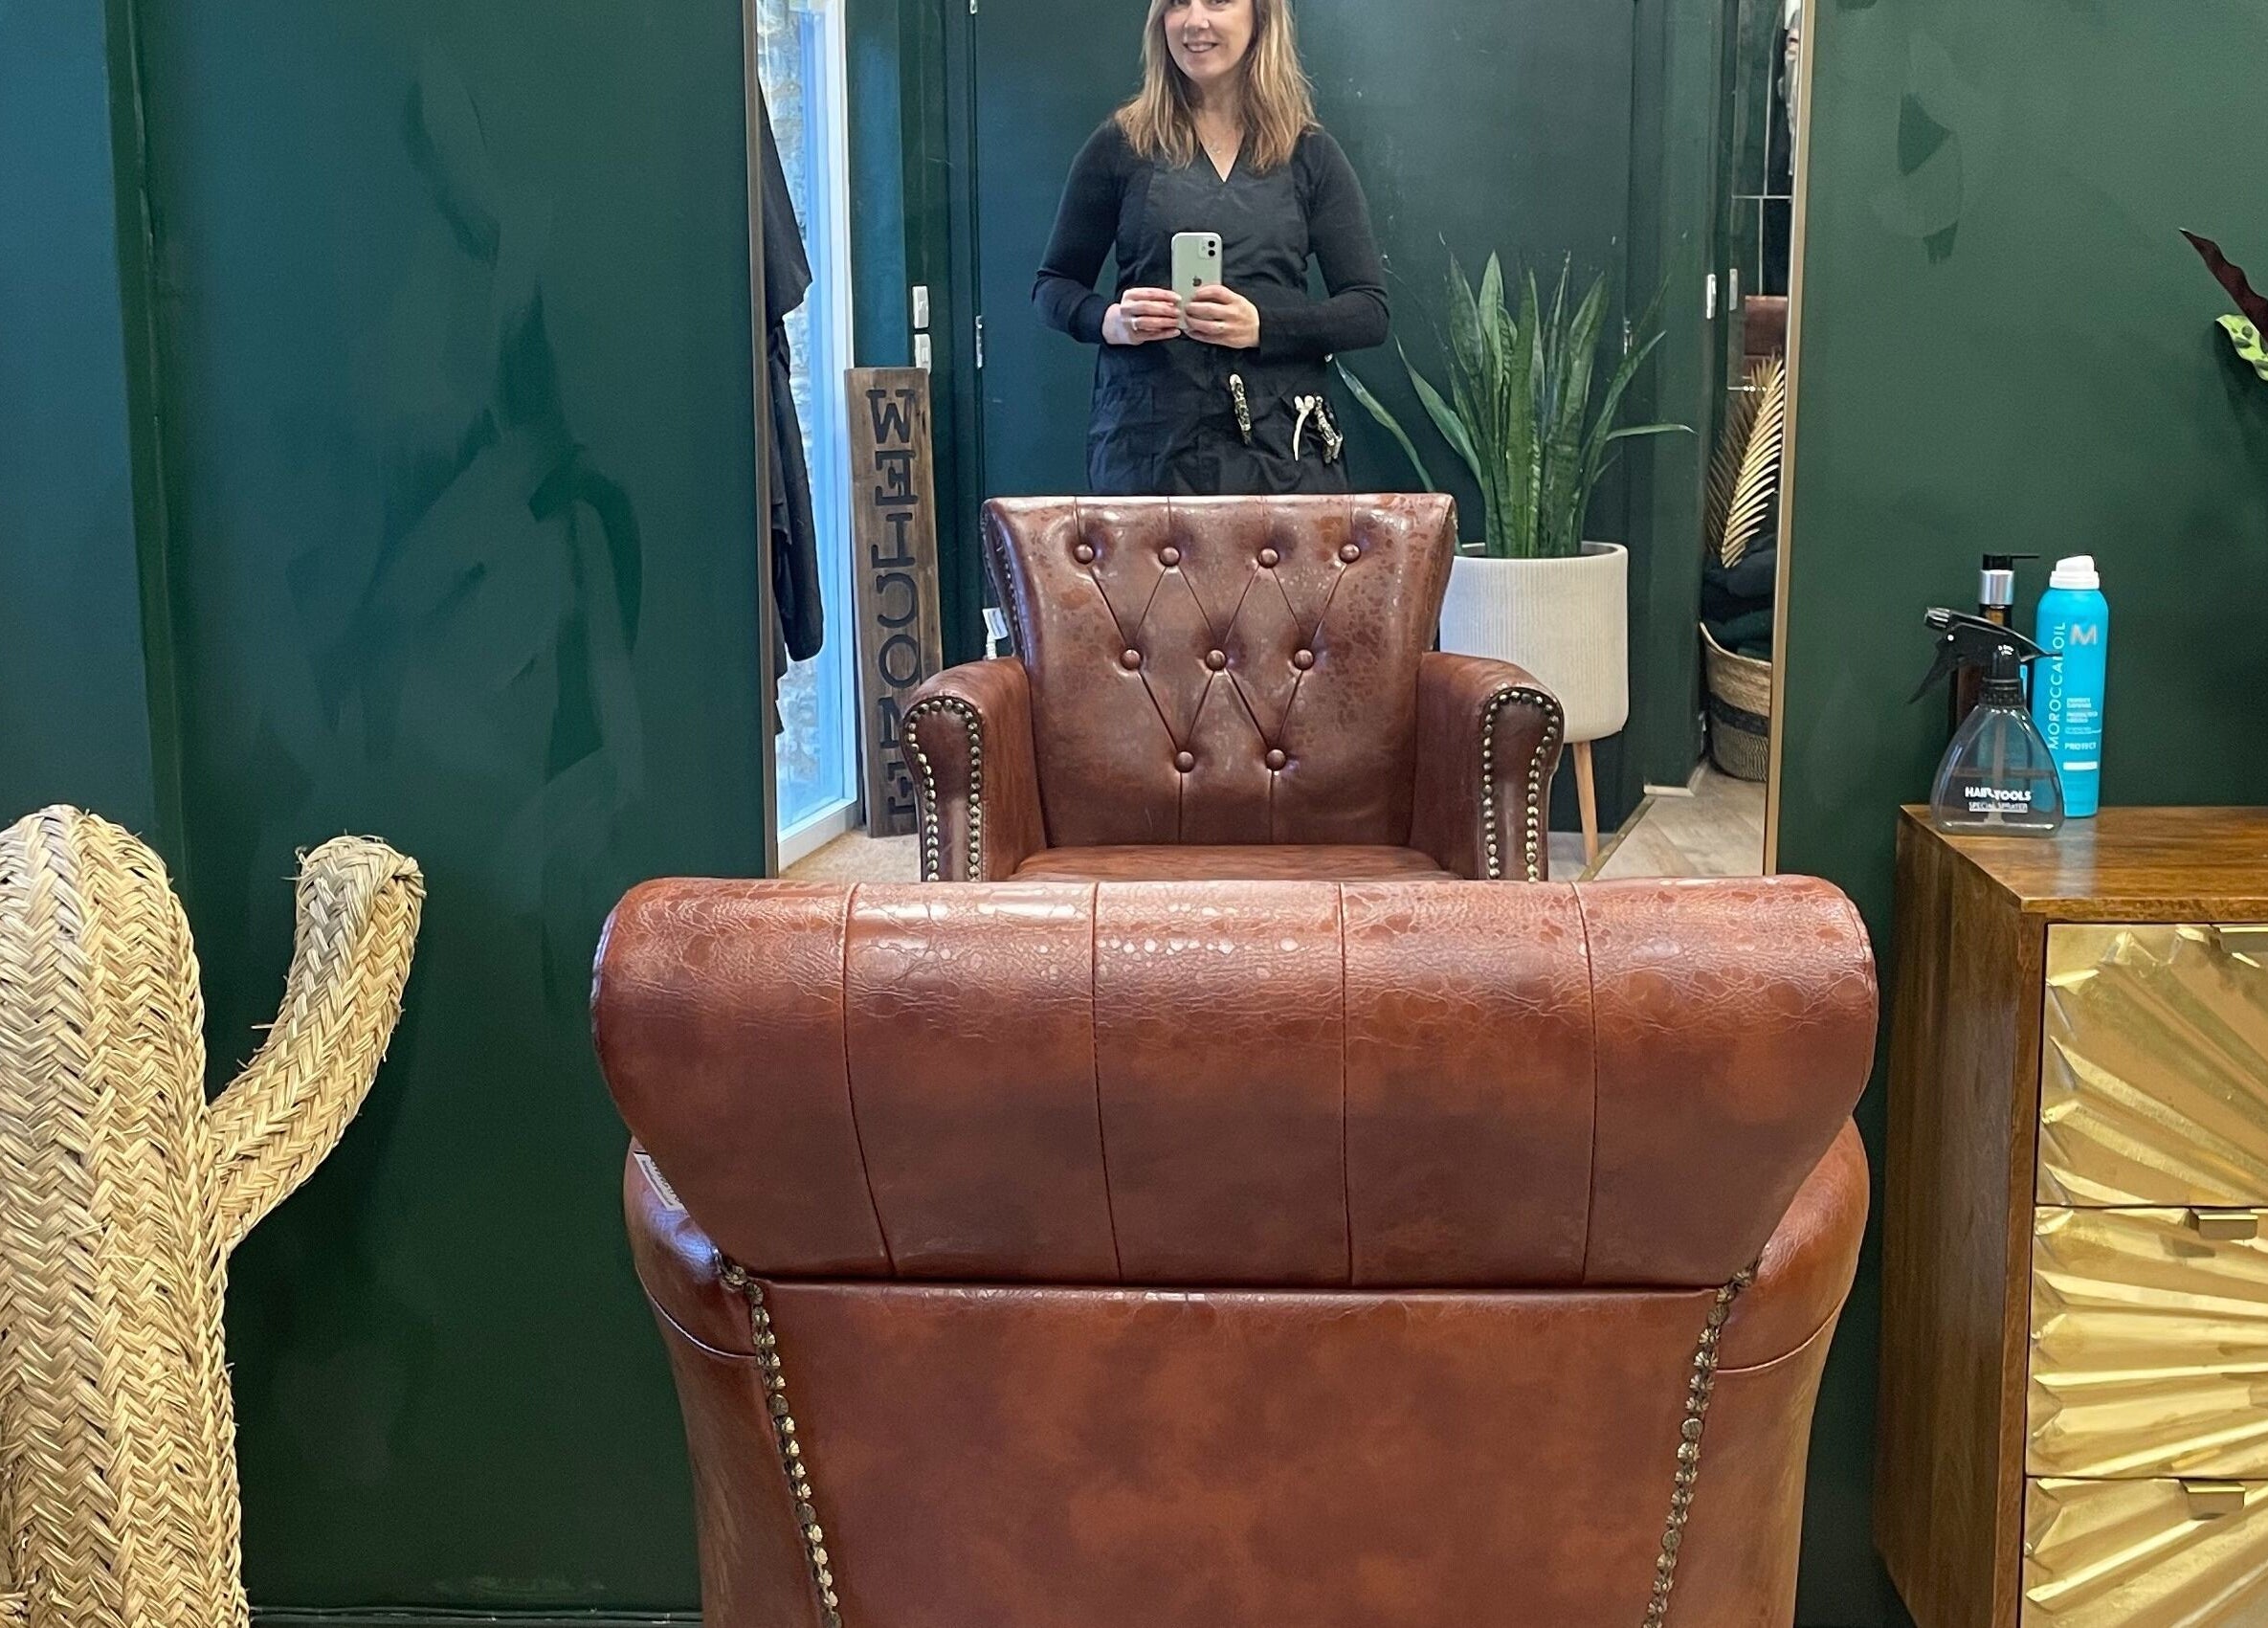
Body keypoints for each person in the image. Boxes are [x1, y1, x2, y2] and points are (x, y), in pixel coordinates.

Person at [1034, 0, 1389, 497]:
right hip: (1148, 453)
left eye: (1218, 1)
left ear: (1260, 16)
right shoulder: (1120, 146)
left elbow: (1368, 311)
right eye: (1177, 3)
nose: (1195, 21)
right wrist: (1110, 321)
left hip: (1280, 455)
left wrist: (1262, 327)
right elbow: (1053, 287)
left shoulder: (1309, 153)